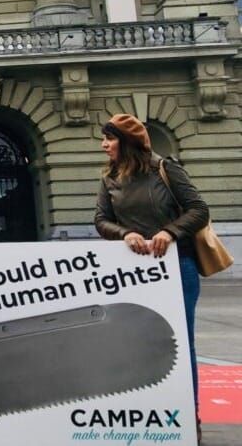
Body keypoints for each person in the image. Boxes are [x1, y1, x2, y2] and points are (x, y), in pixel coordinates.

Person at [94, 114, 208, 436]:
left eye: (110, 138)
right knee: (137, 345)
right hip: (132, 273)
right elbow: (101, 219)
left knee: (180, 344)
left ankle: (189, 418)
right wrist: (124, 233)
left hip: (176, 266)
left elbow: (199, 209)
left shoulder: (165, 169)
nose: (104, 145)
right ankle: (148, 415)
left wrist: (170, 232)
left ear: (128, 143)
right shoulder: (109, 179)